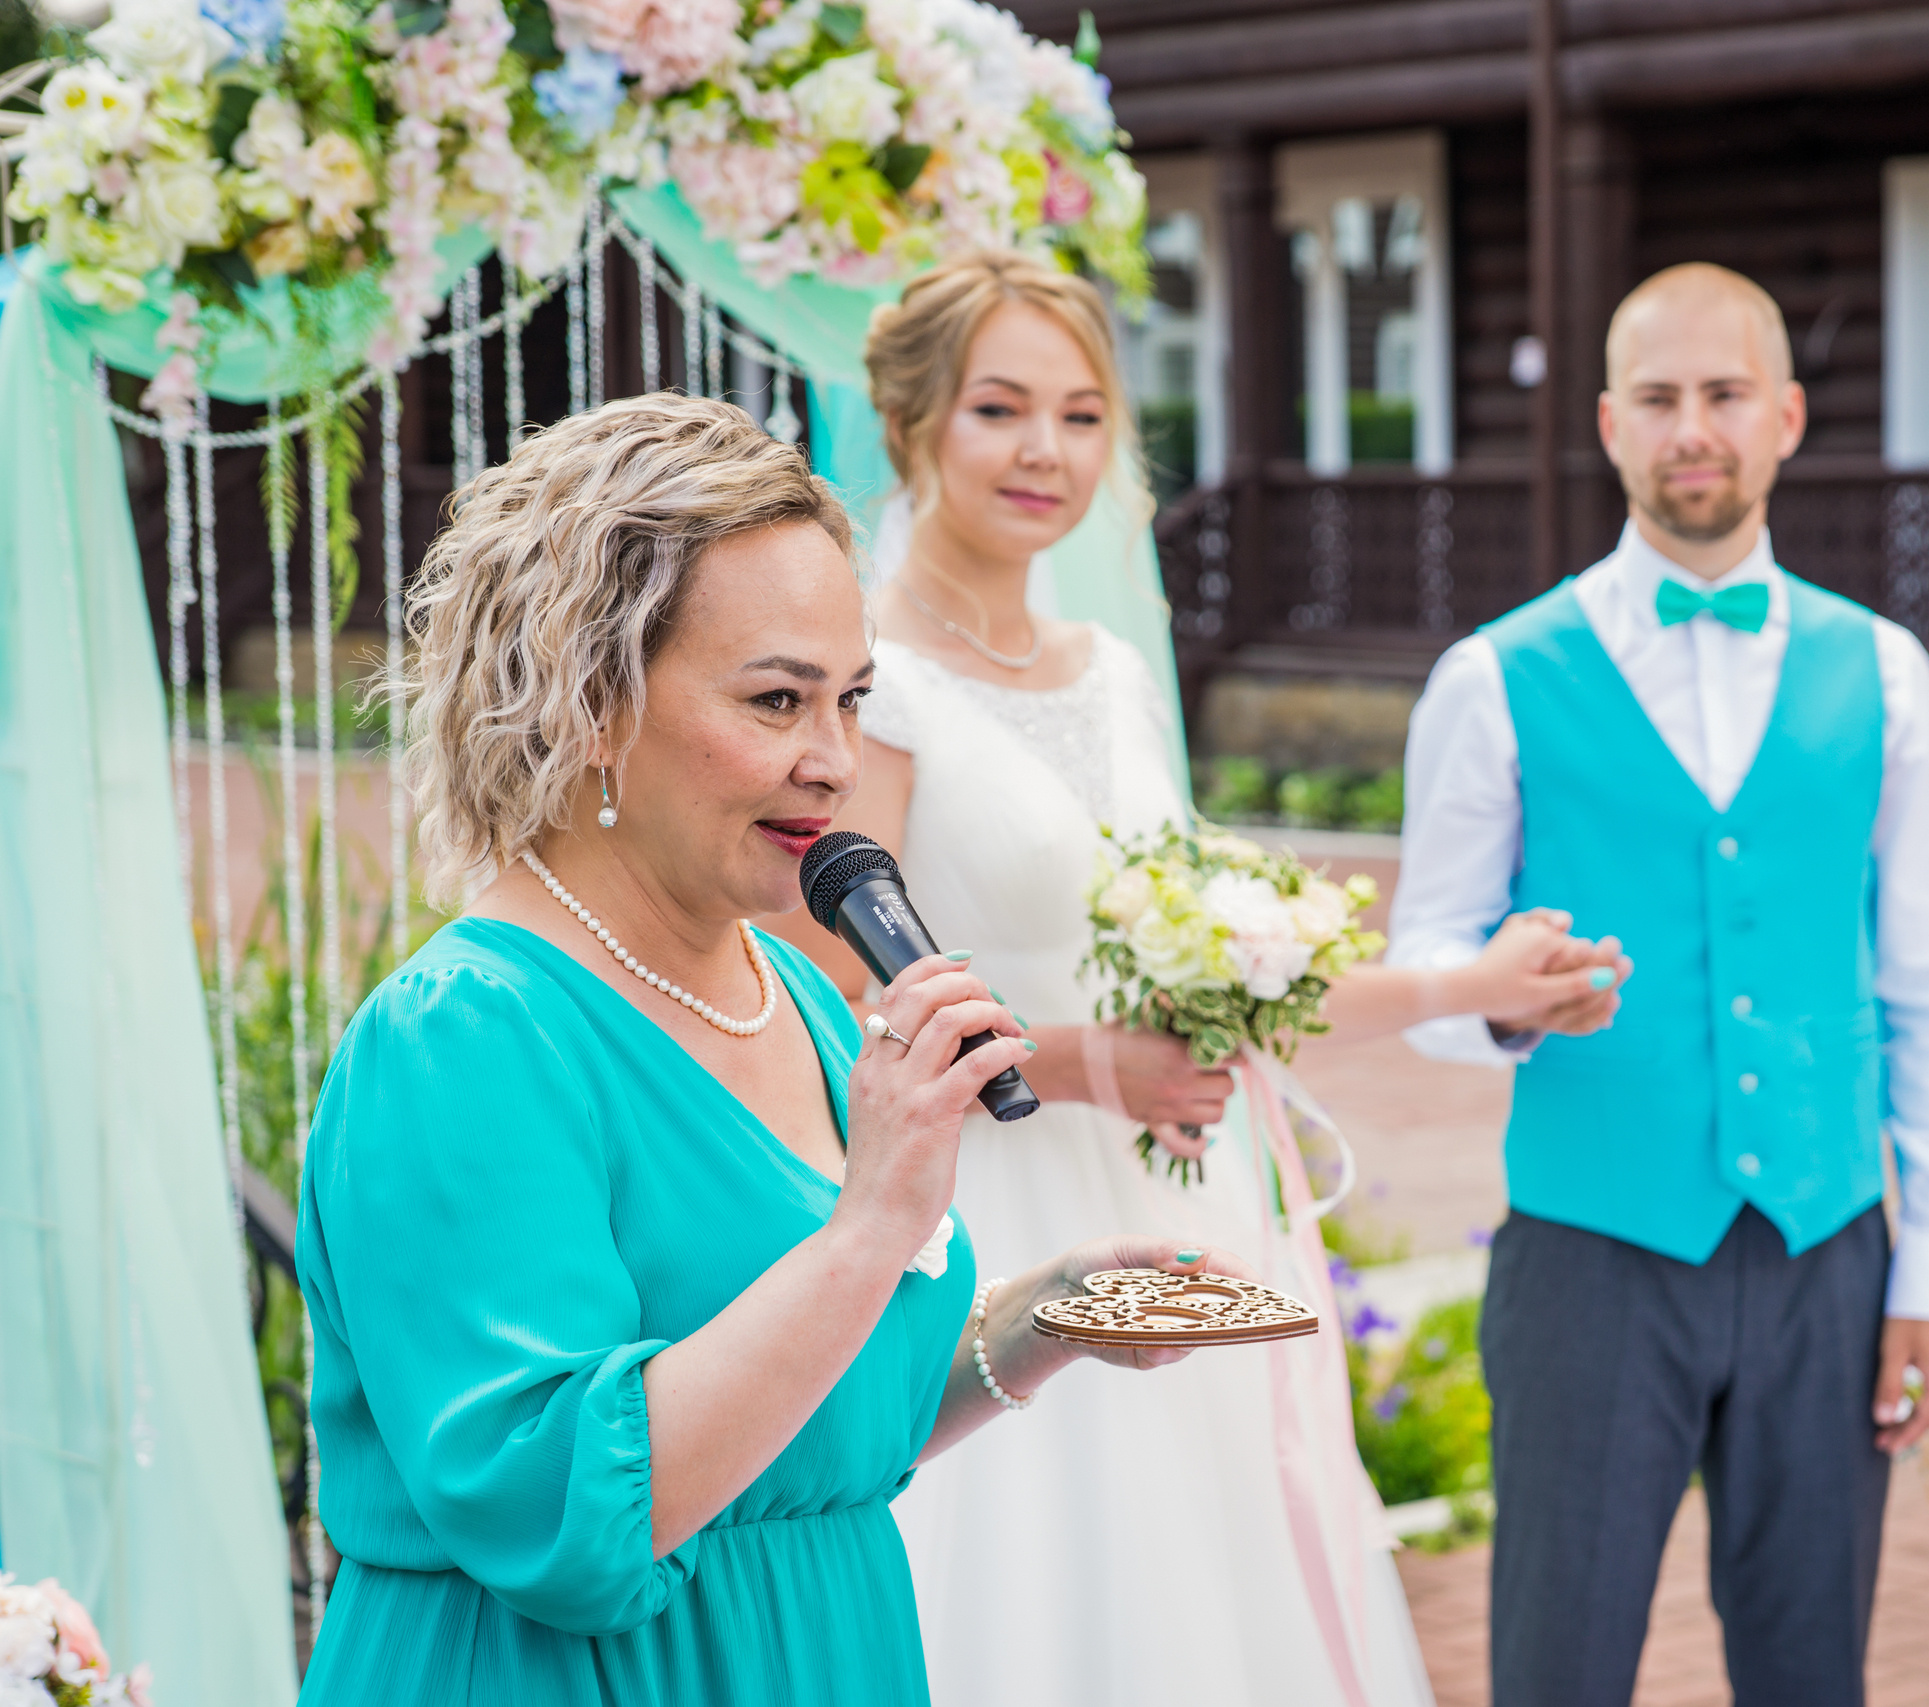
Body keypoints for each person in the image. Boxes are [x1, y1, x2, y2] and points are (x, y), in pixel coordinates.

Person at [758, 252, 1629, 1707]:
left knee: (1213, 1619)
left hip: (1184, 1206)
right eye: (1001, 408)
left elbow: (1229, 973)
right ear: (911, 423)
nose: (1047, 449)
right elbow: (837, 1008)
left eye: (1085, 414)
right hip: (997, 1223)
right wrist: (1093, 1063)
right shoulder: (875, 685)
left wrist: (1470, 979)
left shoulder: (1109, 670)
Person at [293, 394, 1247, 1705]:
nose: (836, 763)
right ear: (590, 701)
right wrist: (874, 1224)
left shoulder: (788, 988)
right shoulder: (466, 1036)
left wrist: (1044, 1318)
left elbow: (821, 1420)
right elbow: (567, 1523)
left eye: (852, 700)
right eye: (778, 701)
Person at [1390, 262, 1929, 1707]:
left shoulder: (1892, 672)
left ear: (1785, 416)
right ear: (1609, 425)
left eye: (1724, 394)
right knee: (1560, 1664)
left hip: (1827, 1249)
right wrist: (1499, 999)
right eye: (1659, 399)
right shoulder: (1492, 678)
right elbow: (1424, 959)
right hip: (1589, 1255)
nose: (1693, 429)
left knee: (1810, 1671)